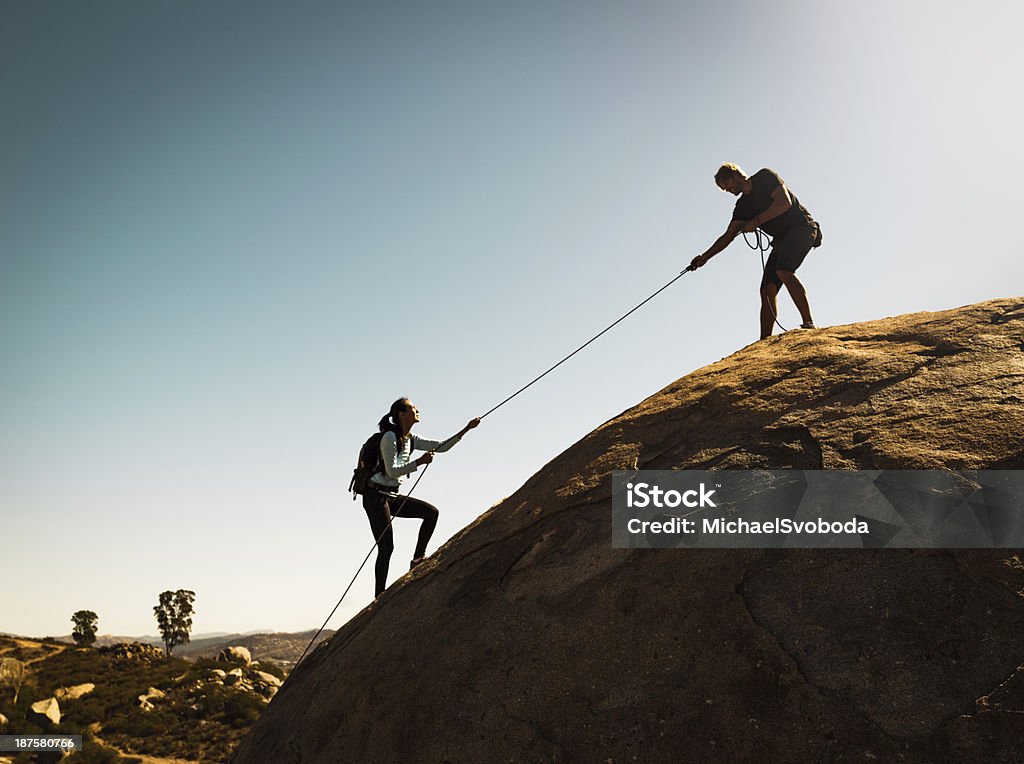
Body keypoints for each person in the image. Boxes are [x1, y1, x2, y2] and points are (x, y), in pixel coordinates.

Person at [689, 163, 822, 340]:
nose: (727, 190)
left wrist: (756, 221)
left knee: (784, 269)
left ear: (735, 175)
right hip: (782, 239)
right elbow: (728, 235)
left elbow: (784, 203)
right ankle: (764, 341)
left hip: (802, 228)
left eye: (726, 184)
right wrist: (704, 257)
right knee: (767, 289)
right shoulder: (742, 206)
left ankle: (808, 324)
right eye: (723, 188)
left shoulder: (765, 177)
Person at [363, 398, 480, 597]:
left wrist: (466, 429)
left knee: (431, 513)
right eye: (413, 408)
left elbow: (441, 446)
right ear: (401, 414)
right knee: (386, 547)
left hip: (391, 496)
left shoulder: (411, 439)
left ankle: (417, 559)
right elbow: (391, 472)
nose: (417, 410)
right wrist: (419, 462)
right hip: (376, 497)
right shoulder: (390, 437)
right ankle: (379, 596)